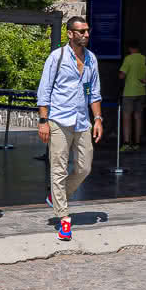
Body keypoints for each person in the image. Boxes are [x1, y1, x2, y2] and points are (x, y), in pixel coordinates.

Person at [36, 15, 103, 241]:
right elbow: (44, 91)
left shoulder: (92, 59)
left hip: (82, 120)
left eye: (87, 30)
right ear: (70, 34)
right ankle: (64, 219)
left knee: (85, 167)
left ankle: (57, 196)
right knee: (59, 168)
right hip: (58, 120)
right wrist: (43, 121)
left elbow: (94, 93)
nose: (86, 34)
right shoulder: (57, 57)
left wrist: (99, 119)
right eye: (81, 31)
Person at [118, 39, 146, 149]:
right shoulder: (144, 59)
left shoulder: (128, 59)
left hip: (129, 92)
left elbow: (121, 75)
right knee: (138, 117)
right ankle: (137, 143)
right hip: (141, 92)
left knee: (127, 117)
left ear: (130, 48)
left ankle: (126, 142)